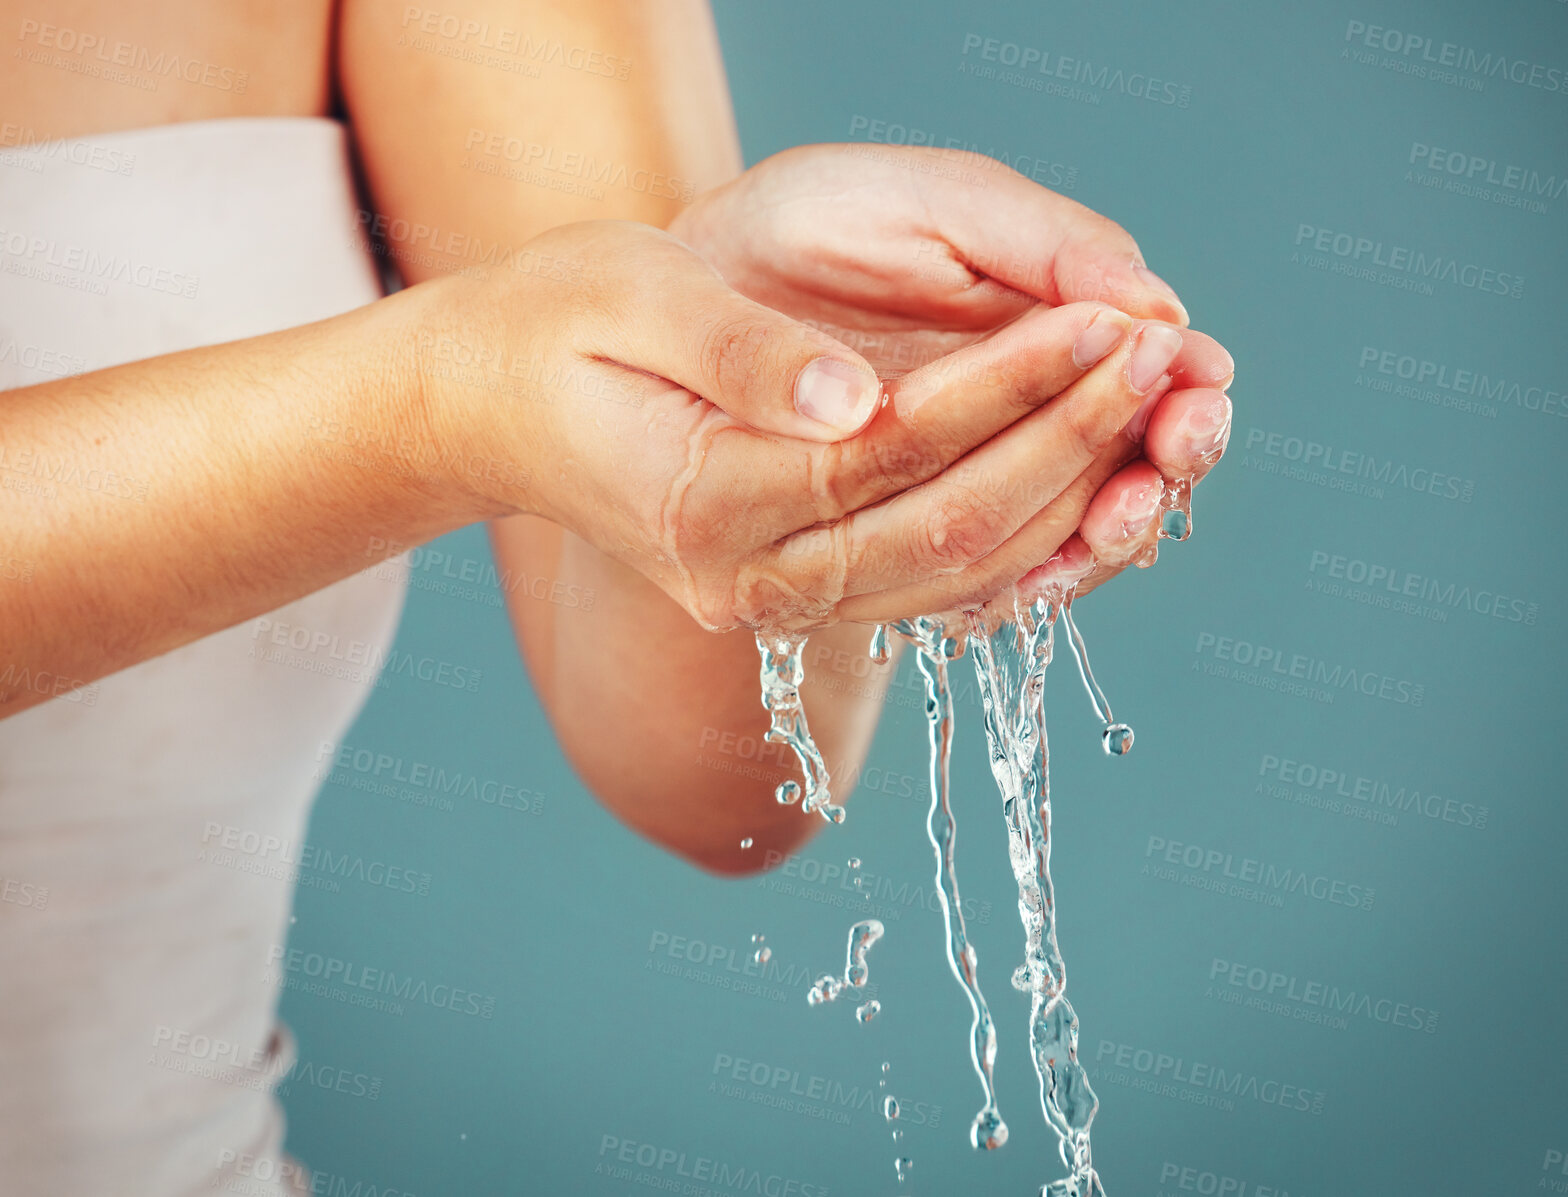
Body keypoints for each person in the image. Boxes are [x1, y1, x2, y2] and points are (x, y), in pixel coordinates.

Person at [0, 1, 1234, 1191]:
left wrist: (810, 443)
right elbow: (489, 374)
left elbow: (712, 781)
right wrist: (437, 402)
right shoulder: (449, 386)